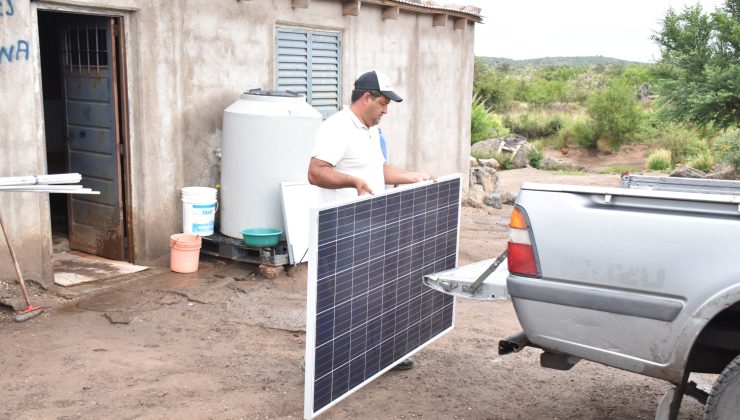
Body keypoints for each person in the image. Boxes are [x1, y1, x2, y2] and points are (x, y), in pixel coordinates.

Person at [307, 70, 434, 371]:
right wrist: (353, 181)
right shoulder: (336, 128)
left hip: (372, 225)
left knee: (376, 289)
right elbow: (315, 172)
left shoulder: (370, 130)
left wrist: (413, 177)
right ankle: (321, 361)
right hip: (342, 229)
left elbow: (379, 170)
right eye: (383, 103)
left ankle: (381, 353)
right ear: (366, 98)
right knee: (338, 295)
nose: (386, 111)